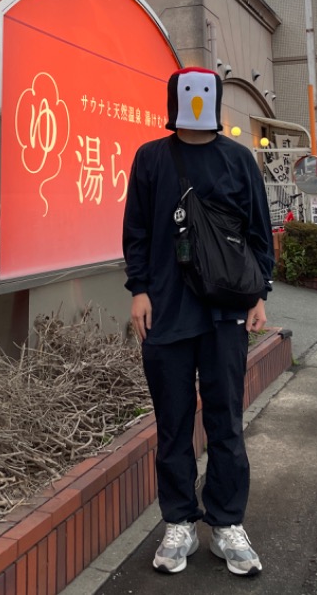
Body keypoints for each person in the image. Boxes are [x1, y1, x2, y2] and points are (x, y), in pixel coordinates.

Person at [122, 67, 274, 577]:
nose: (194, 104)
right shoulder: (151, 158)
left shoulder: (238, 160)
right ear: (175, 100)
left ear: (214, 100)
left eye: (202, 95)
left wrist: (260, 293)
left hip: (226, 310)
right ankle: (180, 520)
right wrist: (139, 289)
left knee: (226, 420)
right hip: (165, 309)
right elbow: (137, 230)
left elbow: (257, 231)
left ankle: (228, 522)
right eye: (187, 94)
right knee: (172, 422)